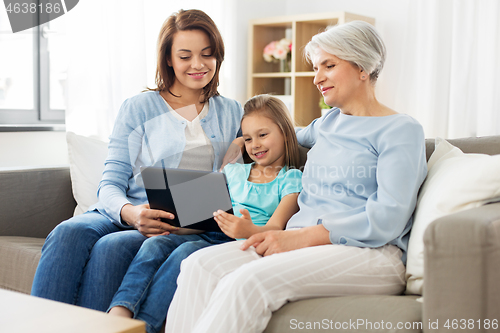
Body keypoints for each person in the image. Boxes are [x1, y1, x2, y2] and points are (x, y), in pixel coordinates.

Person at [165, 20, 428, 333]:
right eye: (316, 67)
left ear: (363, 67)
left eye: (328, 65)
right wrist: (241, 141)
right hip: (303, 243)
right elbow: (283, 133)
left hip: (371, 253)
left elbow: (388, 217)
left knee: (249, 282)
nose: (317, 78)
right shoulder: (329, 123)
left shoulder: (400, 130)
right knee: (198, 265)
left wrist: (299, 237)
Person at [31, 9, 243, 312]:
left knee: (112, 248)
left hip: (176, 225)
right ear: (168, 59)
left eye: (207, 55)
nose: (198, 65)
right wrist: (130, 213)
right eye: (185, 56)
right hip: (124, 210)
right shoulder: (138, 108)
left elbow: (273, 143)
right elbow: (110, 182)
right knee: (68, 231)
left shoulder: (232, 112)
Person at [107, 94, 303, 333]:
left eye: (263, 135)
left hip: (242, 239)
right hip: (211, 231)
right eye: (248, 138)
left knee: (185, 252)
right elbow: (210, 213)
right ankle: (120, 312)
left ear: (284, 132)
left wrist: (247, 230)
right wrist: (177, 225)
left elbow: (276, 228)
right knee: (155, 245)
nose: (255, 145)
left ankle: (144, 326)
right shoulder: (234, 171)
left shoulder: (291, 179)